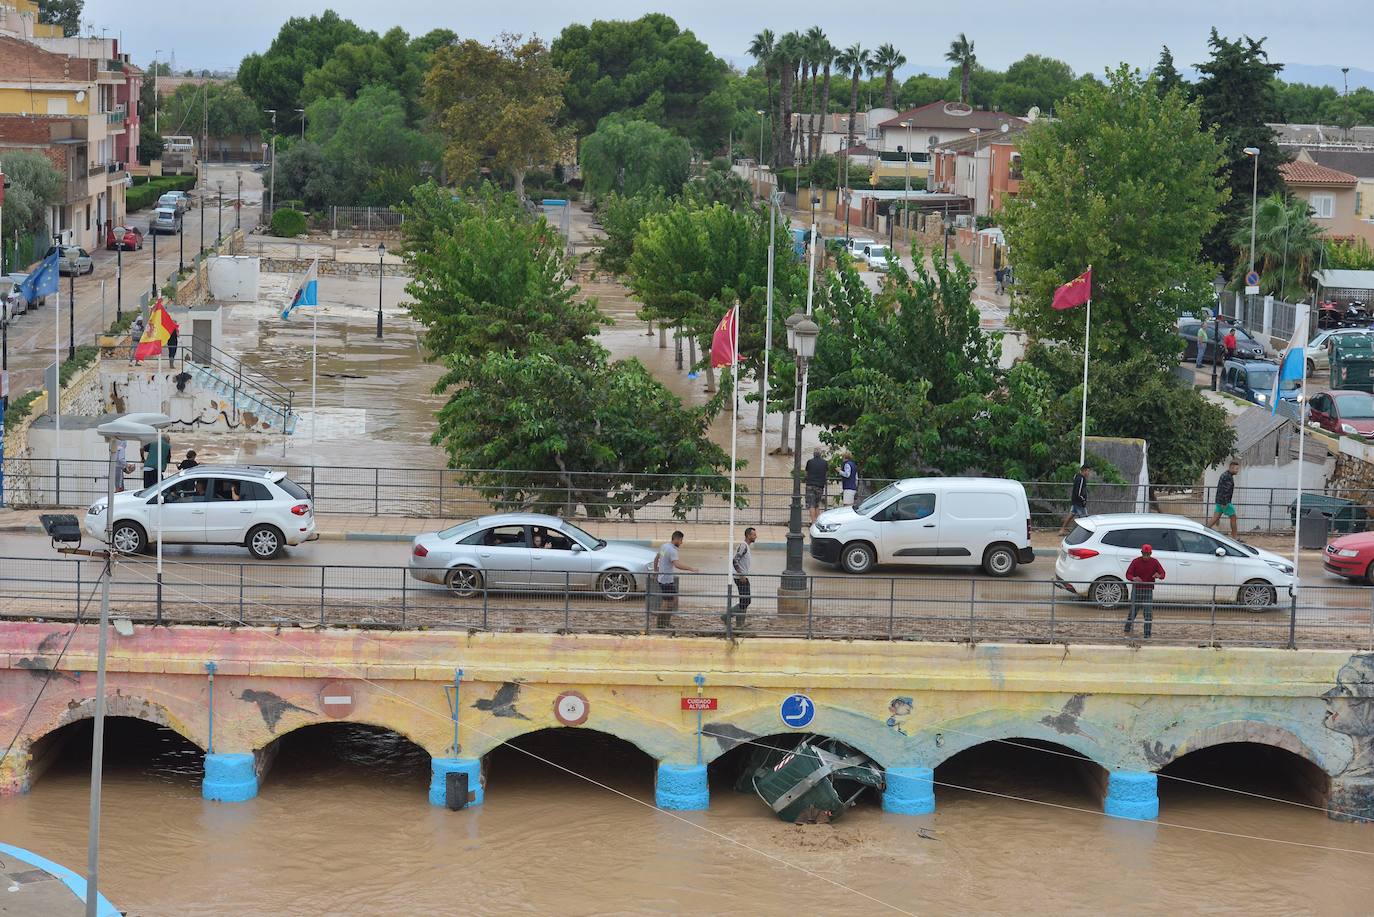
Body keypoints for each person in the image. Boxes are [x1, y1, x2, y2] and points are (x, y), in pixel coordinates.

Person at [654, 530, 698, 628]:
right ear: (677, 539)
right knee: (667, 602)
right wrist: (691, 568)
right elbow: (677, 564)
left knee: (672, 600)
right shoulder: (672, 550)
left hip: (663, 578)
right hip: (666, 580)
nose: (681, 543)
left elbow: (657, 558)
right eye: (681, 540)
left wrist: (655, 571)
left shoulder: (665, 546)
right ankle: (661, 623)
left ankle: (664, 622)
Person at [1125, 543, 1166, 638]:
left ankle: (1147, 634)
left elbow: (1163, 573)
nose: (1146, 556)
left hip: (1148, 591)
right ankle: (1127, 628)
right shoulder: (1135, 561)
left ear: (1150, 553)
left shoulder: (1155, 562)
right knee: (1133, 611)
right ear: (1141, 552)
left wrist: (1159, 576)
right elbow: (1128, 574)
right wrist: (1134, 578)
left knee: (1148, 613)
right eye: (1144, 554)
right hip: (1137, 590)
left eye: (1148, 554)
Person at [725, 527, 757, 631]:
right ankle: (726, 616)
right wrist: (741, 574)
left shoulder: (746, 546)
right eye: (753, 535)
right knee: (746, 601)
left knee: (744, 601)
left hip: (742, 577)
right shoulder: (743, 546)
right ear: (748, 536)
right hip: (740, 578)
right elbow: (735, 561)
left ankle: (740, 624)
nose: (755, 536)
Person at [1208, 460, 1241, 538]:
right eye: (1236, 469)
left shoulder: (1225, 475)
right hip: (1225, 502)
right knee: (1233, 517)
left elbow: (1221, 490)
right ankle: (1235, 537)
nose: (1237, 471)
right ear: (1231, 468)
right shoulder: (1228, 477)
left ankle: (1203, 531)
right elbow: (1225, 491)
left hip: (1220, 501)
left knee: (1215, 518)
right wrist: (1225, 503)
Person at [1059, 465, 1091, 535]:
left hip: (1075, 501)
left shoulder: (1077, 477)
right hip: (1079, 502)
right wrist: (1083, 499)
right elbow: (1078, 491)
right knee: (1084, 518)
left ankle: (1062, 529)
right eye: (1088, 471)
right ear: (1084, 471)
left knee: (1071, 515)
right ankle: (1083, 533)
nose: (1089, 473)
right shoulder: (1081, 479)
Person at [804, 447, 829, 524]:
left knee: (811, 504)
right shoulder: (825, 463)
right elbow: (826, 474)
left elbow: (806, 473)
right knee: (817, 504)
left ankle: (813, 522)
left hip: (810, 485)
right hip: (820, 486)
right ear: (820, 454)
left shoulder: (810, 462)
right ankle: (818, 522)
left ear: (813, 454)